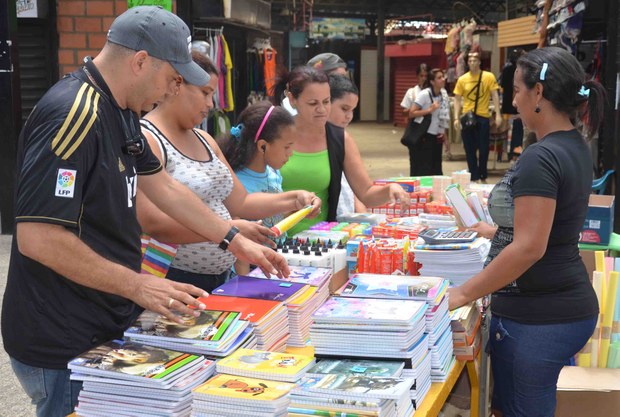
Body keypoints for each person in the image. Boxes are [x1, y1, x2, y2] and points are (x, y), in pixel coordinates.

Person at [0, 7, 288, 417]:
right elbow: (37, 237)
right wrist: (139, 286)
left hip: (102, 320)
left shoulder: (121, 109)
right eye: (172, 79)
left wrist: (233, 237)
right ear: (139, 62)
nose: (174, 91)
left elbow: (165, 187)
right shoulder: (73, 113)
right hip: (62, 336)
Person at [448, 47, 605, 417]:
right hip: (557, 306)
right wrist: (494, 231)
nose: (513, 100)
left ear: (538, 93)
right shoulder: (571, 144)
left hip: (539, 318)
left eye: (518, 90)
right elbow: (547, 228)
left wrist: (462, 293)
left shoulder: (541, 156)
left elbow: (530, 248)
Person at [138, 54, 320, 292]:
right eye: (205, 92)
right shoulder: (147, 139)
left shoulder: (204, 139)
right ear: (176, 85)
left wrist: (295, 198)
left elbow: (241, 201)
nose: (211, 104)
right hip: (172, 279)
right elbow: (154, 223)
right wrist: (228, 232)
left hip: (220, 277)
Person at [274, 66, 410, 235]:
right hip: (269, 239)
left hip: (317, 243)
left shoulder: (339, 139)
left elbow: (366, 192)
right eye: (313, 103)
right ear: (292, 99)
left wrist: (390, 189)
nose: (322, 110)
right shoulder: (273, 134)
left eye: (326, 101)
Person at [223, 101, 298, 274]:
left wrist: (297, 209)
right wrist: (243, 283)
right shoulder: (236, 184)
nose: (291, 153)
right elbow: (238, 242)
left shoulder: (273, 173)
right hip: (252, 269)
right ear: (262, 146)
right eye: (287, 147)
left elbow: (273, 218)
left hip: (276, 261)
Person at [453, 52, 502, 182]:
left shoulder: (488, 77)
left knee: (484, 148)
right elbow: (457, 99)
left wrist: (498, 114)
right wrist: (456, 117)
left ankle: (482, 175)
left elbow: (495, 95)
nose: (472, 63)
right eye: (470, 61)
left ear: (480, 62)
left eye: (475, 60)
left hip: (483, 117)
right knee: (469, 149)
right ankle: (473, 176)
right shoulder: (462, 79)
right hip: (468, 117)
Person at [327, 74, 367, 216]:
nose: (349, 116)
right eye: (344, 109)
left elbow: (359, 188)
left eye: (352, 110)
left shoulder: (343, 139)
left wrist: (362, 215)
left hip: (346, 219)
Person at [402, 68, 450, 176]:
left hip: (437, 136)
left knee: (437, 169)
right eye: (439, 78)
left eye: (443, 77)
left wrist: (445, 137)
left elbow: (442, 118)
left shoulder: (443, 94)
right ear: (432, 82)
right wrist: (429, 110)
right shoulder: (424, 94)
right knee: (424, 169)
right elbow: (411, 113)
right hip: (424, 136)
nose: (443, 79)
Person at [500, 48, 525, 161]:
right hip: (517, 107)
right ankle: (515, 153)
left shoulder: (506, 69)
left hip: (507, 107)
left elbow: (503, 87)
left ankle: (506, 154)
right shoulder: (521, 71)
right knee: (517, 131)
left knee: (507, 133)